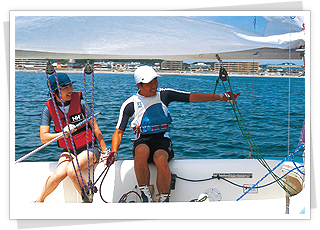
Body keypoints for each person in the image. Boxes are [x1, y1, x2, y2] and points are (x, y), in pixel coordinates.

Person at [111, 66, 240, 202]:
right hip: (142, 140)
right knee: (141, 151)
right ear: (139, 85)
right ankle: (145, 194)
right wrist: (114, 151)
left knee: (160, 157)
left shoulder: (165, 95)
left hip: (162, 139)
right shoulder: (130, 104)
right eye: (149, 83)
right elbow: (119, 132)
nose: (154, 86)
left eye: (155, 81)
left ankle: (164, 198)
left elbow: (192, 96)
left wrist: (220, 97)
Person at [35, 73, 107, 203]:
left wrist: (105, 152)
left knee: (72, 169)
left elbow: (96, 128)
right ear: (55, 92)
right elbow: (43, 137)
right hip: (69, 151)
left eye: (70, 86)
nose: (70, 90)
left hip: (90, 148)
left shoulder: (82, 104)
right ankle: (39, 200)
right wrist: (62, 133)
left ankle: (87, 201)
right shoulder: (48, 109)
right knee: (58, 175)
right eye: (65, 88)